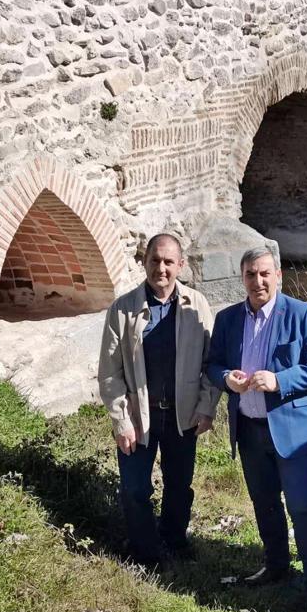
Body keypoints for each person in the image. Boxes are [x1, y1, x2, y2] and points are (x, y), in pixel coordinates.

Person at [207, 247, 307, 612]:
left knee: (302, 507)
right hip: (248, 429)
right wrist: (225, 378)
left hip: (292, 432)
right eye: (250, 274)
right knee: (263, 502)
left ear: (278, 275)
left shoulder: (301, 313)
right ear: (242, 278)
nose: (258, 281)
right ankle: (277, 565)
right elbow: (213, 364)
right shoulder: (228, 318)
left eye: (264, 274)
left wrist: (280, 380)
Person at [98, 233, 218, 568]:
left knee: (179, 487)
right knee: (135, 490)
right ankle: (146, 554)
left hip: (183, 415)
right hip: (140, 417)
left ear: (181, 265)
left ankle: (175, 541)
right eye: (155, 260)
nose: (161, 269)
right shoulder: (123, 309)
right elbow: (110, 372)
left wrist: (206, 407)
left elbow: (211, 362)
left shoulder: (197, 305)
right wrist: (121, 420)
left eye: (169, 262)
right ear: (144, 262)